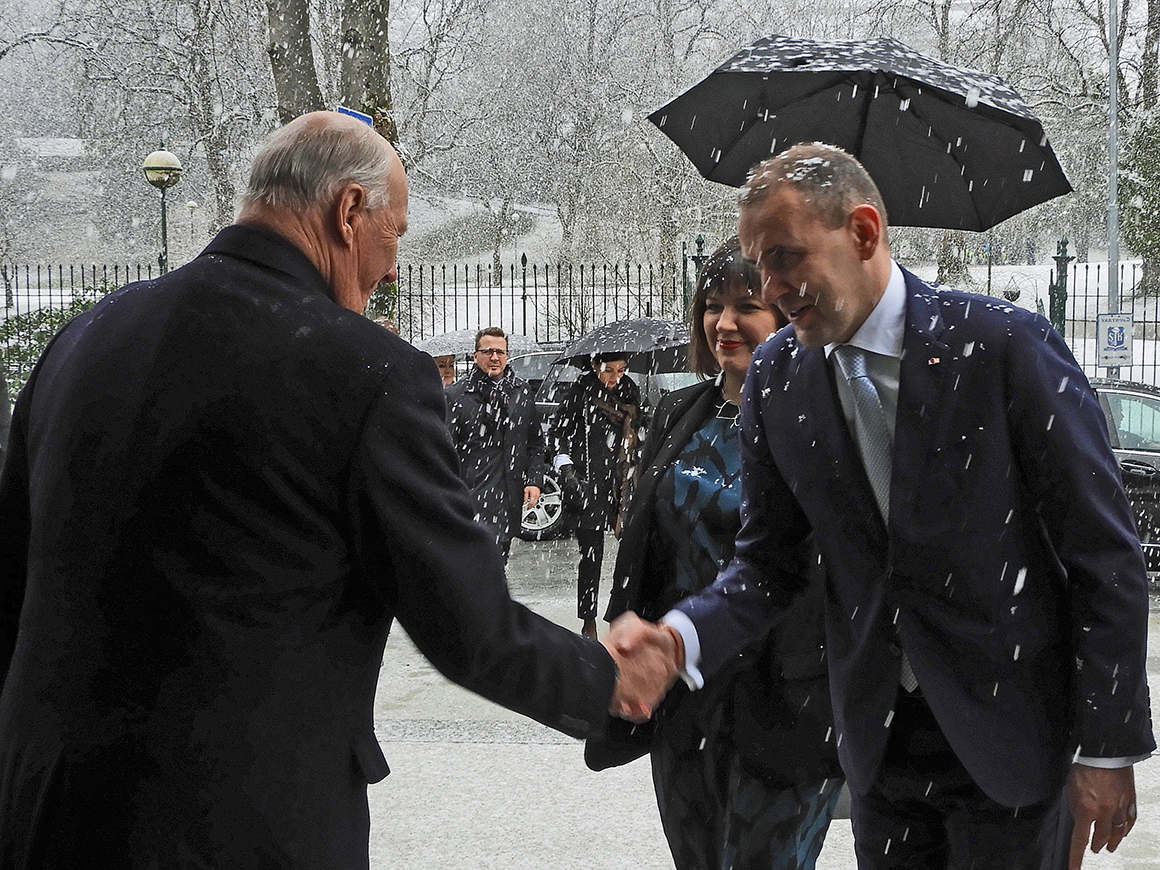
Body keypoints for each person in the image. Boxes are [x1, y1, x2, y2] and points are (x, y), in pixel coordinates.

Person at [0, 111, 676, 868]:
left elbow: (16, 579)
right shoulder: (367, 373)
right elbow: (468, 627)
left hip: (43, 808)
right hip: (239, 824)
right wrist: (609, 680)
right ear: (348, 211)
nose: (393, 269)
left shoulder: (84, 339)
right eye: (396, 234)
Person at [610, 143, 1154, 870]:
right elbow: (768, 566)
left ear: (864, 233)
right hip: (878, 744)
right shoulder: (778, 378)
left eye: (784, 258)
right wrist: (679, 640)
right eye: (761, 265)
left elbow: (1103, 554)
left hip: (1011, 738)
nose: (771, 288)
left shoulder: (1003, 347)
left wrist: (1108, 747)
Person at [590, 237, 843, 870]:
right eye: (712, 305)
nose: (724, 323)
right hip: (687, 690)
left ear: (786, 312)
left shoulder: (824, 413)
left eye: (746, 306)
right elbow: (646, 539)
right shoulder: (681, 411)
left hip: (787, 693)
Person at [551, 352, 641, 638]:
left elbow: (641, 430)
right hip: (588, 483)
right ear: (593, 366)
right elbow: (558, 435)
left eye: (621, 370)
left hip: (623, 481)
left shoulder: (631, 393)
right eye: (609, 370)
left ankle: (620, 613)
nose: (615, 378)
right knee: (591, 556)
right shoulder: (578, 394)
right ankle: (588, 619)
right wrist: (567, 469)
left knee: (630, 552)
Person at [445, 327, 543, 559]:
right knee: (474, 564)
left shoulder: (521, 391)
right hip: (472, 495)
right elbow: (447, 450)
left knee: (499, 562)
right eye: (488, 351)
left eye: (501, 352)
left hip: (508, 495)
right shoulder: (457, 395)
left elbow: (535, 443)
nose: (495, 357)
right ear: (475, 355)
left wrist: (534, 480)